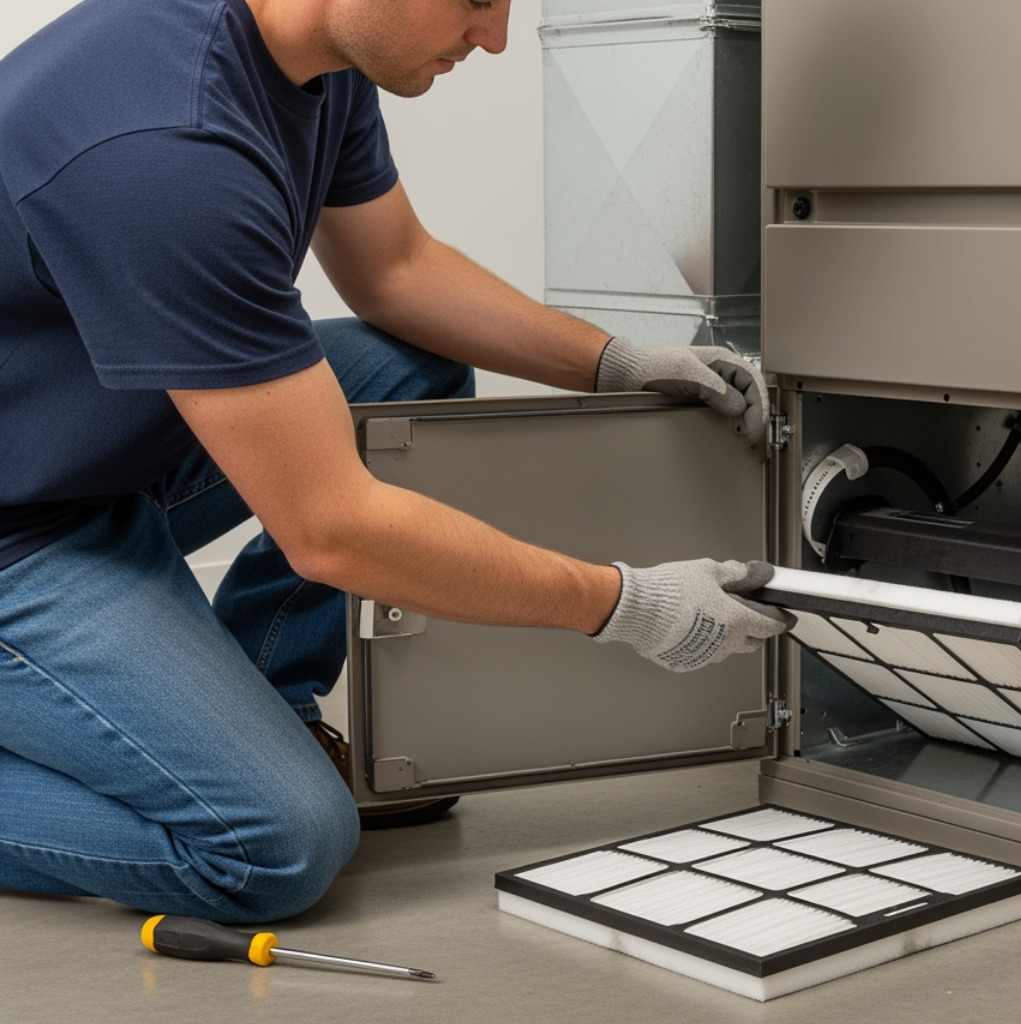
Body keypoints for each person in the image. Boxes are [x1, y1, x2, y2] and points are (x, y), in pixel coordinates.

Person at [0, 0, 788, 924]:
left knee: (405, 375)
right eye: (474, 0)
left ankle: (268, 696)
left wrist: (615, 359)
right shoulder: (168, 153)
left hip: (79, 444)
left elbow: (397, 270)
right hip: (25, 531)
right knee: (275, 846)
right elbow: (332, 532)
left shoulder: (309, 59)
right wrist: (627, 605)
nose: (495, 37)